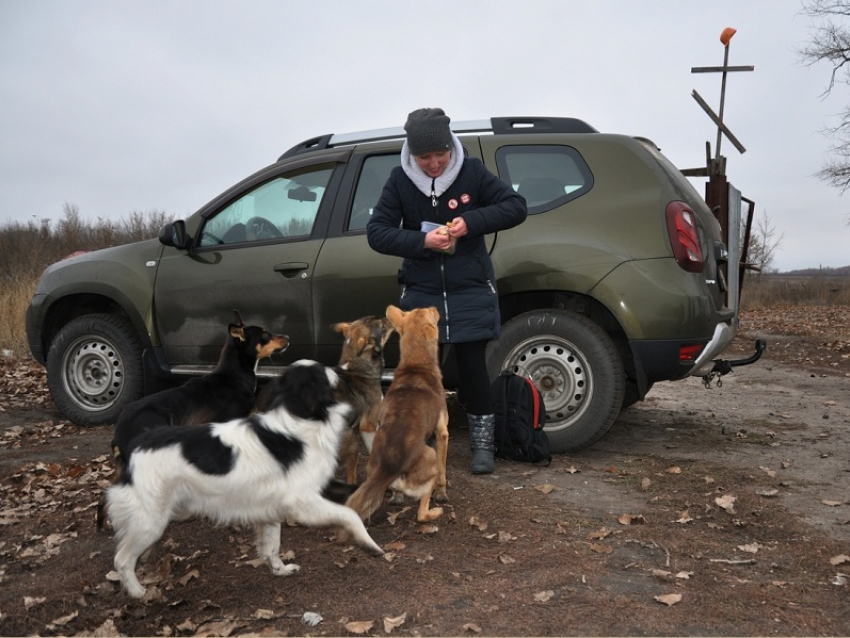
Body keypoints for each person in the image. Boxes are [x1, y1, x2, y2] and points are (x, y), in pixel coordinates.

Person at [366, 107, 528, 474]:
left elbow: (515, 207)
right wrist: (422, 241)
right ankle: (416, 443)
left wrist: (470, 222)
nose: (435, 164)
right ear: (413, 153)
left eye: (440, 154)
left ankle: (482, 446)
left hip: (469, 287)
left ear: (450, 147)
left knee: (472, 367)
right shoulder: (400, 180)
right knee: (420, 372)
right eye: (425, 157)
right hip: (422, 290)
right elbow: (377, 232)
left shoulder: (471, 171)